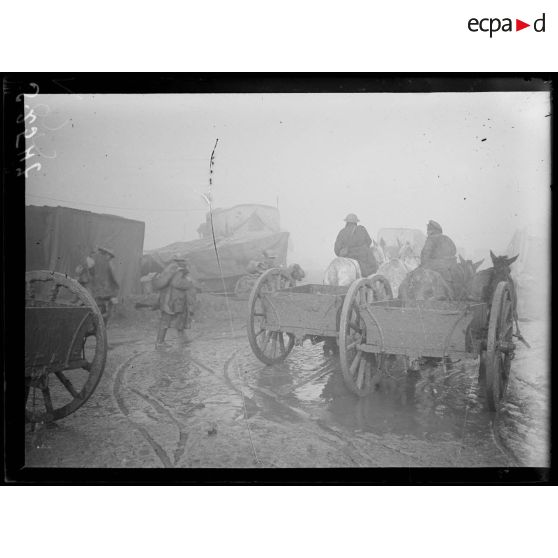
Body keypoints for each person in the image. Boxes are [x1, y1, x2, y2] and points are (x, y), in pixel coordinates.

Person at [152, 256, 197, 348]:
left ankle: (183, 339)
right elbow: (176, 283)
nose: (186, 262)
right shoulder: (179, 270)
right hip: (173, 300)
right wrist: (189, 283)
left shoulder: (171, 269)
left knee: (179, 318)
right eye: (184, 260)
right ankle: (160, 342)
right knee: (167, 320)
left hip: (171, 299)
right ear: (181, 261)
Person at [75, 246, 119, 325]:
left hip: (101, 291)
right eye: (108, 255)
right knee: (96, 307)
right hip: (97, 290)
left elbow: (112, 279)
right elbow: (84, 273)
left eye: (110, 256)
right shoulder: (96, 261)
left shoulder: (106, 264)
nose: (108, 257)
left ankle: (99, 324)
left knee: (101, 309)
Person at [420, 220, 459, 286]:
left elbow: (425, 254)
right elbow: (454, 251)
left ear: (431, 230)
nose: (427, 232)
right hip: (451, 267)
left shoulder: (431, 239)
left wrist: (423, 265)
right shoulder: (447, 238)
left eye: (428, 229)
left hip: (434, 267)